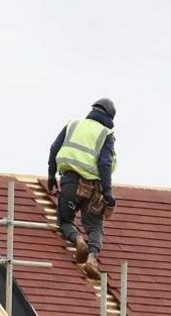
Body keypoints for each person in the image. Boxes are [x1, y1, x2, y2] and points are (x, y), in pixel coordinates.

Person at [47, 98, 118, 281]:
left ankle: (78, 240)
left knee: (64, 220)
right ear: (110, 117)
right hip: (94, 188)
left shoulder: (73, 125)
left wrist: (51, 176)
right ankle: (92, 258)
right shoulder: (106, 134)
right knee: (94, 225)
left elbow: (54, 149)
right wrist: (108, 192)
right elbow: (105, 163)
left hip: (70, 181)